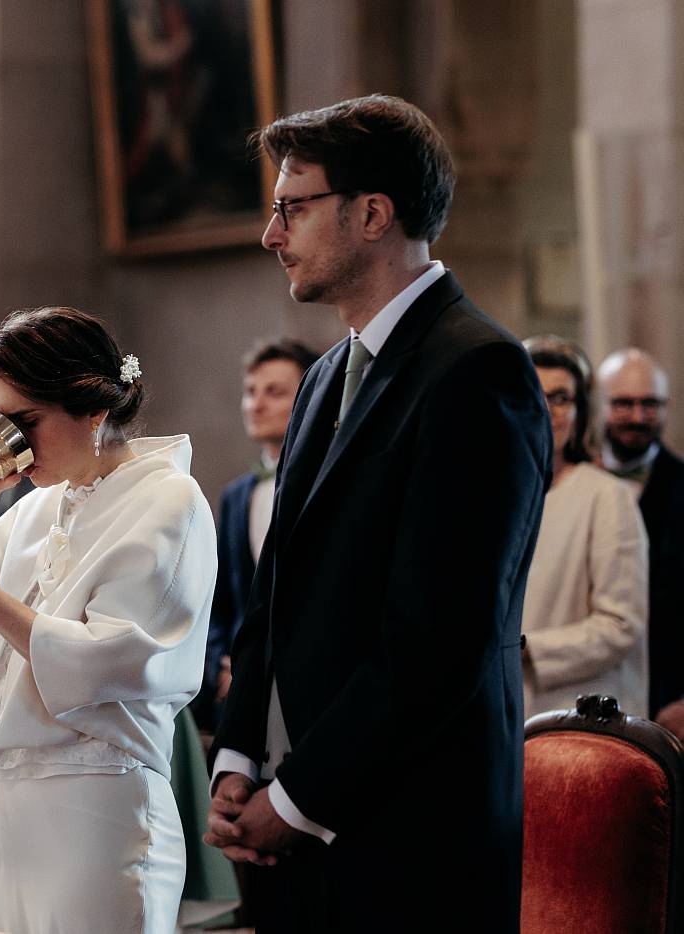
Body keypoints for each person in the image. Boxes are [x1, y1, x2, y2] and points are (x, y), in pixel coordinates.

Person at [204, 96, 552, 933]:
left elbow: (441, 637)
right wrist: (239, 758)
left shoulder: (478, 371)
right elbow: (275, 589)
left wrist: (299, 797)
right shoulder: (327, 375)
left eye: (293, 207)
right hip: (295, 825)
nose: (271, 234)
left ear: (371, 215)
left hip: (417, 835)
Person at [0, 306, 216, 934]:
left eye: (26, 422)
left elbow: (100, 663)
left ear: (93, 408)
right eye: (3, 422)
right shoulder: (36, 508)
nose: (16, 445)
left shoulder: (168, 500)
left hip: (99, 806)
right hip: (9, 811)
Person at [193, 338, 318, 734]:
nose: (256, 404)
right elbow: (218, 601)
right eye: (250, 392)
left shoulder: (327, 484)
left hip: (311, 686)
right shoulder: (237, 496)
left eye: (274, 392)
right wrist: (220, 664)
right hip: (238, 693)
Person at [521, 336, 648, 718]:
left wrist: (525, 647)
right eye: (535, 392)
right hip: (504, 709)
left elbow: (620, 624)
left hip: (580, 715)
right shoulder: (494, 495)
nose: (548, 409)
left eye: (561, 398)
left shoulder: (607, 496)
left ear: (580, 412)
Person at [597, 348, 684, 731]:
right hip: (584, 686)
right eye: (623, 403)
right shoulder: (567, 482)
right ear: (599, 403)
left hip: (666, 696)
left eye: (650, 404)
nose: (637, 417)